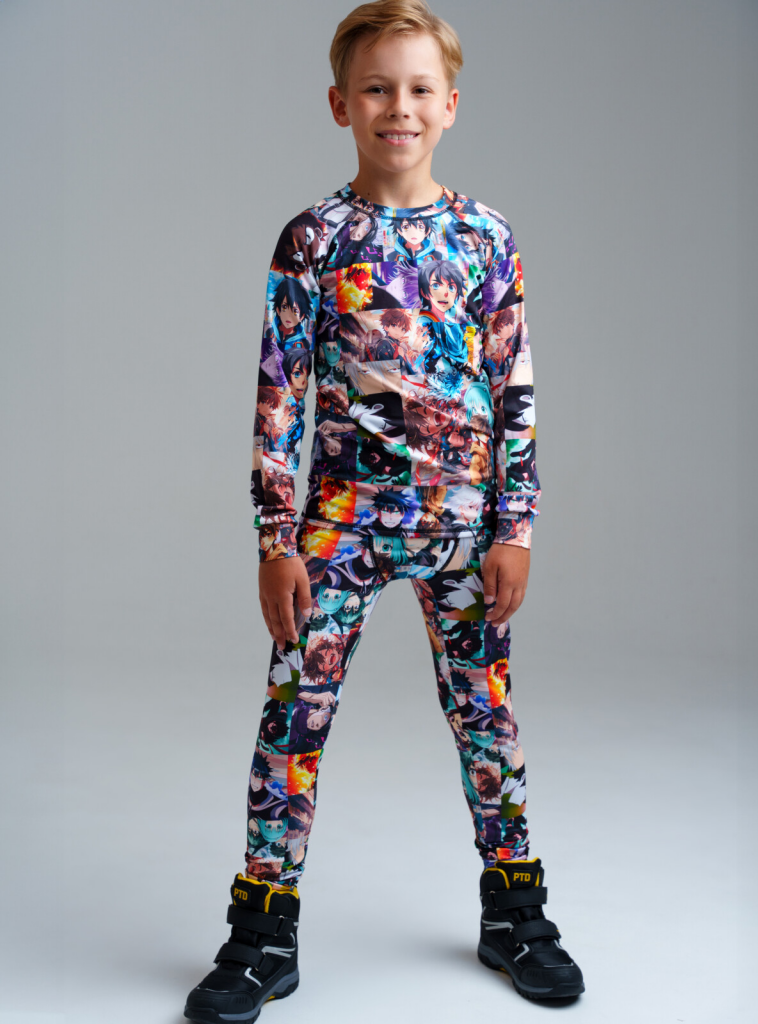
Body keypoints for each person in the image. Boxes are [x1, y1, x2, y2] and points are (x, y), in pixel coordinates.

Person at [184, 2, 584, 1021]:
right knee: (293, 719)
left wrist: (515, 527)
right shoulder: (314, 240)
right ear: (340, 105)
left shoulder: (486, 237)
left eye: (416, 89)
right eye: (375, 88)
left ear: (449, 105)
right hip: (339, 526)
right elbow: (279, 395)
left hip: (464, 526)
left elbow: (514, 387)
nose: (397, 107)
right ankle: (262, 932)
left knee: (487, 716)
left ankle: (515, 913)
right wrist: (276, 539)